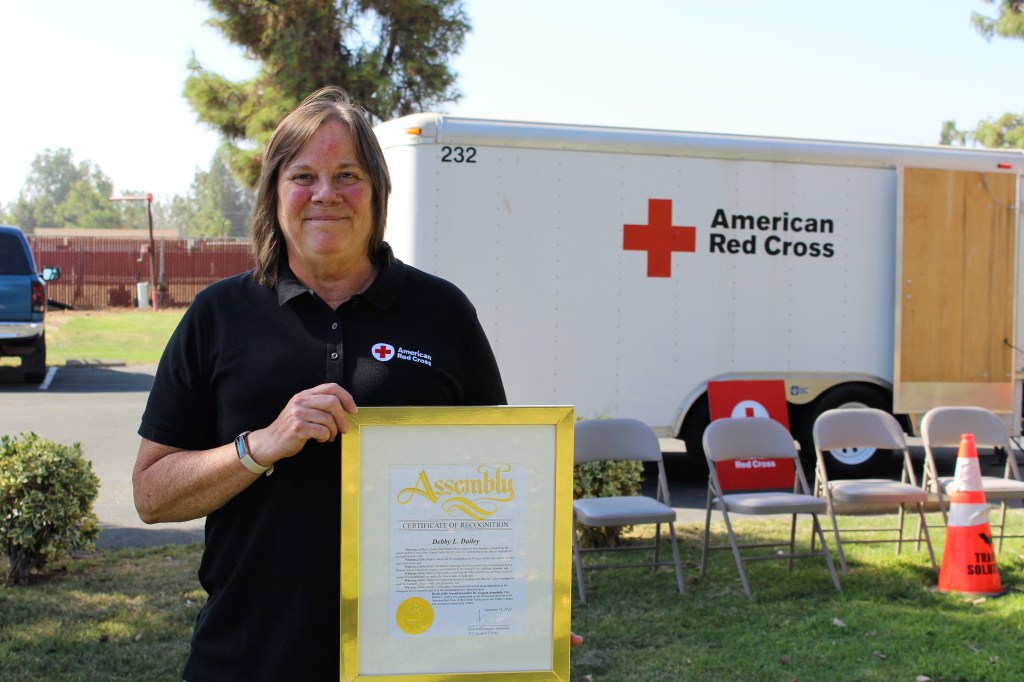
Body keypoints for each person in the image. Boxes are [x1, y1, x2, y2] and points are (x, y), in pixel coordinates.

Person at [133, 86, 516, 681]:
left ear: (378, 192)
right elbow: (152, 495)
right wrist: (260, 447)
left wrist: (522, 618)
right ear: (275, 193)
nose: (325, 194)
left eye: (348, 175)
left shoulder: (443, 313)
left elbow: (504, 486)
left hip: (412, 662)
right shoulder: (219, 315)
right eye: (303, 176)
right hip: (247, 660)